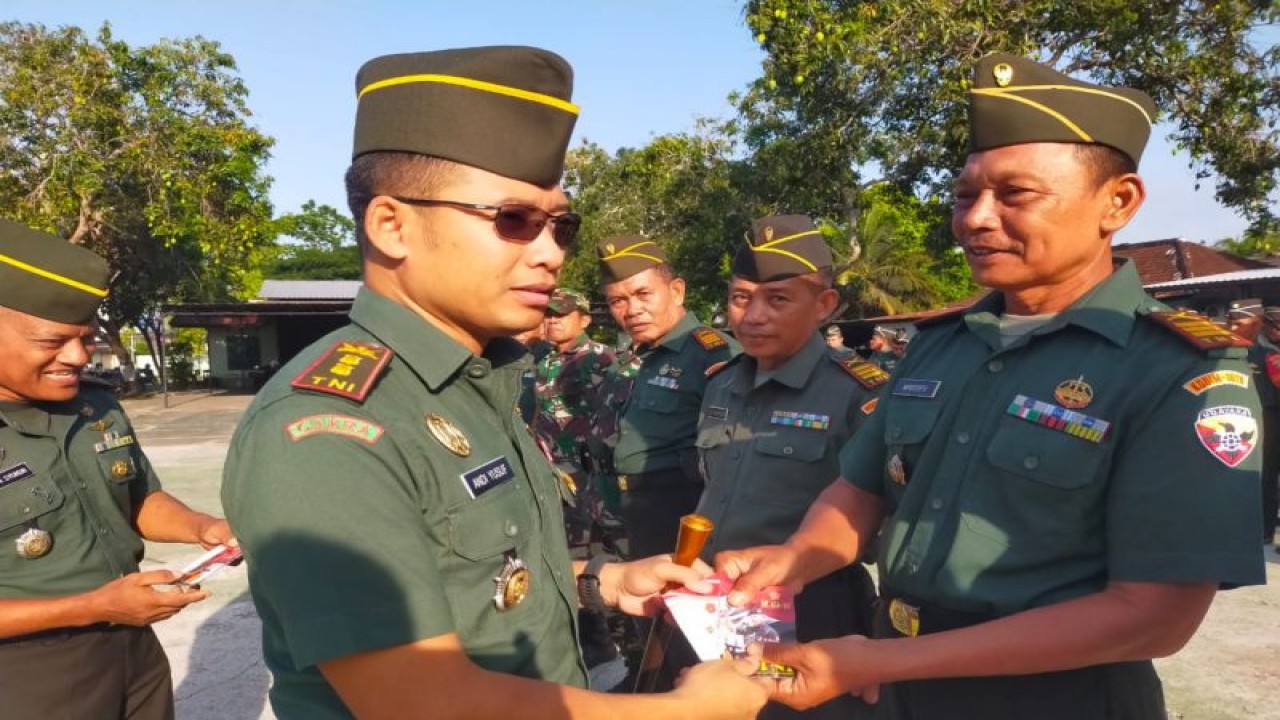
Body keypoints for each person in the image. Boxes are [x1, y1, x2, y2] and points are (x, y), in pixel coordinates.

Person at [220, 46, 767, 720]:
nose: (550, 253)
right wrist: (689, 711)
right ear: (392, 225)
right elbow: (424, 703)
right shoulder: (325, 432)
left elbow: (476, 578)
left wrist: (602, 582)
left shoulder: (477, 382)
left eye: (559, 225)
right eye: (513, 220)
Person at [720, 53, 1265, 719]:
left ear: (1116, 202)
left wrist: (888, 659)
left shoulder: (1181, 372)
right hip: (895, 687)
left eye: (1015, 195)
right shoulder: (942, 344)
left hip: (1052, 697)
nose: (976, 219)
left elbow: (1153, 616)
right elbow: (860, 490)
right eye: (964, 195)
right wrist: (794, 560)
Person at [0, 219, 234, 719]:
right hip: (23, 675)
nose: (77, 356)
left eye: (85, 338)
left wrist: (204, 528)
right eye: (53, 341)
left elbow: (138, 498)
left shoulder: (95, 406)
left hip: (134, 649)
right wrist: (94, 607)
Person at [695, 215, 886, 720]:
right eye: (741, 298)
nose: (753, 315)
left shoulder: (858, 393)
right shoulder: (721, 383)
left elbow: (882, 514)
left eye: (777, 299)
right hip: (717, 603)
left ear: (823, 305)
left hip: (812, 610)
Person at [594, 235, 740, 560]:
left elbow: (735, 460)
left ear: (676, 291)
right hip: (624, 509)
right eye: (618, 301)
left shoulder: (714, 354)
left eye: (643, 294)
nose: (632, 310)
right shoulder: (636, 356)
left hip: (677, 514)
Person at [535, 288, 616, 549]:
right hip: (550, 470)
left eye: (562, 314)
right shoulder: (543, 361)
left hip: (588, 474)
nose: (552, 320)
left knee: (588, 549)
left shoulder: (601, 358)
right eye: (548, 314)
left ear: (584, 320)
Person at [1229, 299, 1280, 547]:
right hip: (1261, 418)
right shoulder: (1242, 349)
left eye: (1240, 323)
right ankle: (1264, 530)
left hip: (1272, 415)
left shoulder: (1267, 349)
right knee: (1265, 476)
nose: (1233, 328)